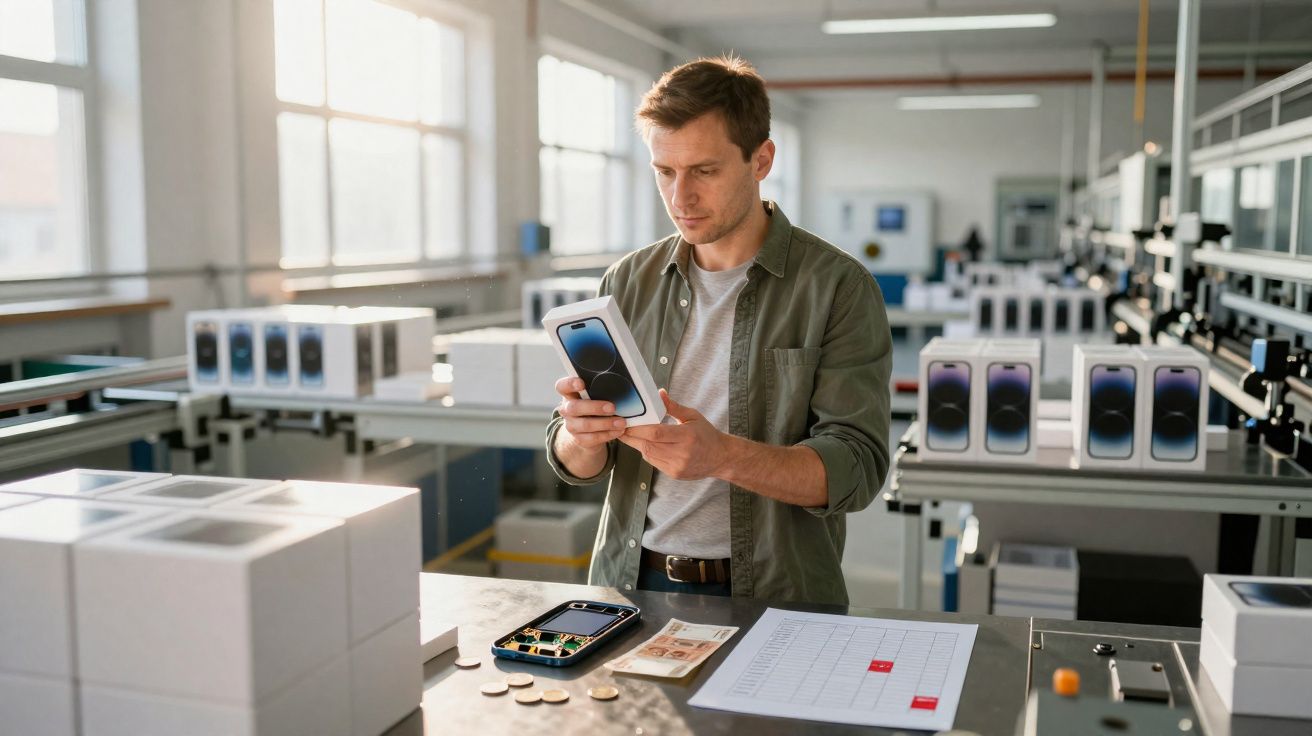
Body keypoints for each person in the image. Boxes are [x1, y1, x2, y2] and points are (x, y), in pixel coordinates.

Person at [544, 55, 891, 606]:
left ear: (761, 160)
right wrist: (578, 435)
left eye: (704, 171)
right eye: (665, 171)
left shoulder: (837, 287)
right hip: (632, 582)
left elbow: (857, 469)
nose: (680, 198)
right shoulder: (627, 281)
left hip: (777, 595)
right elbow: (579, 463)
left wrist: (723, 456)